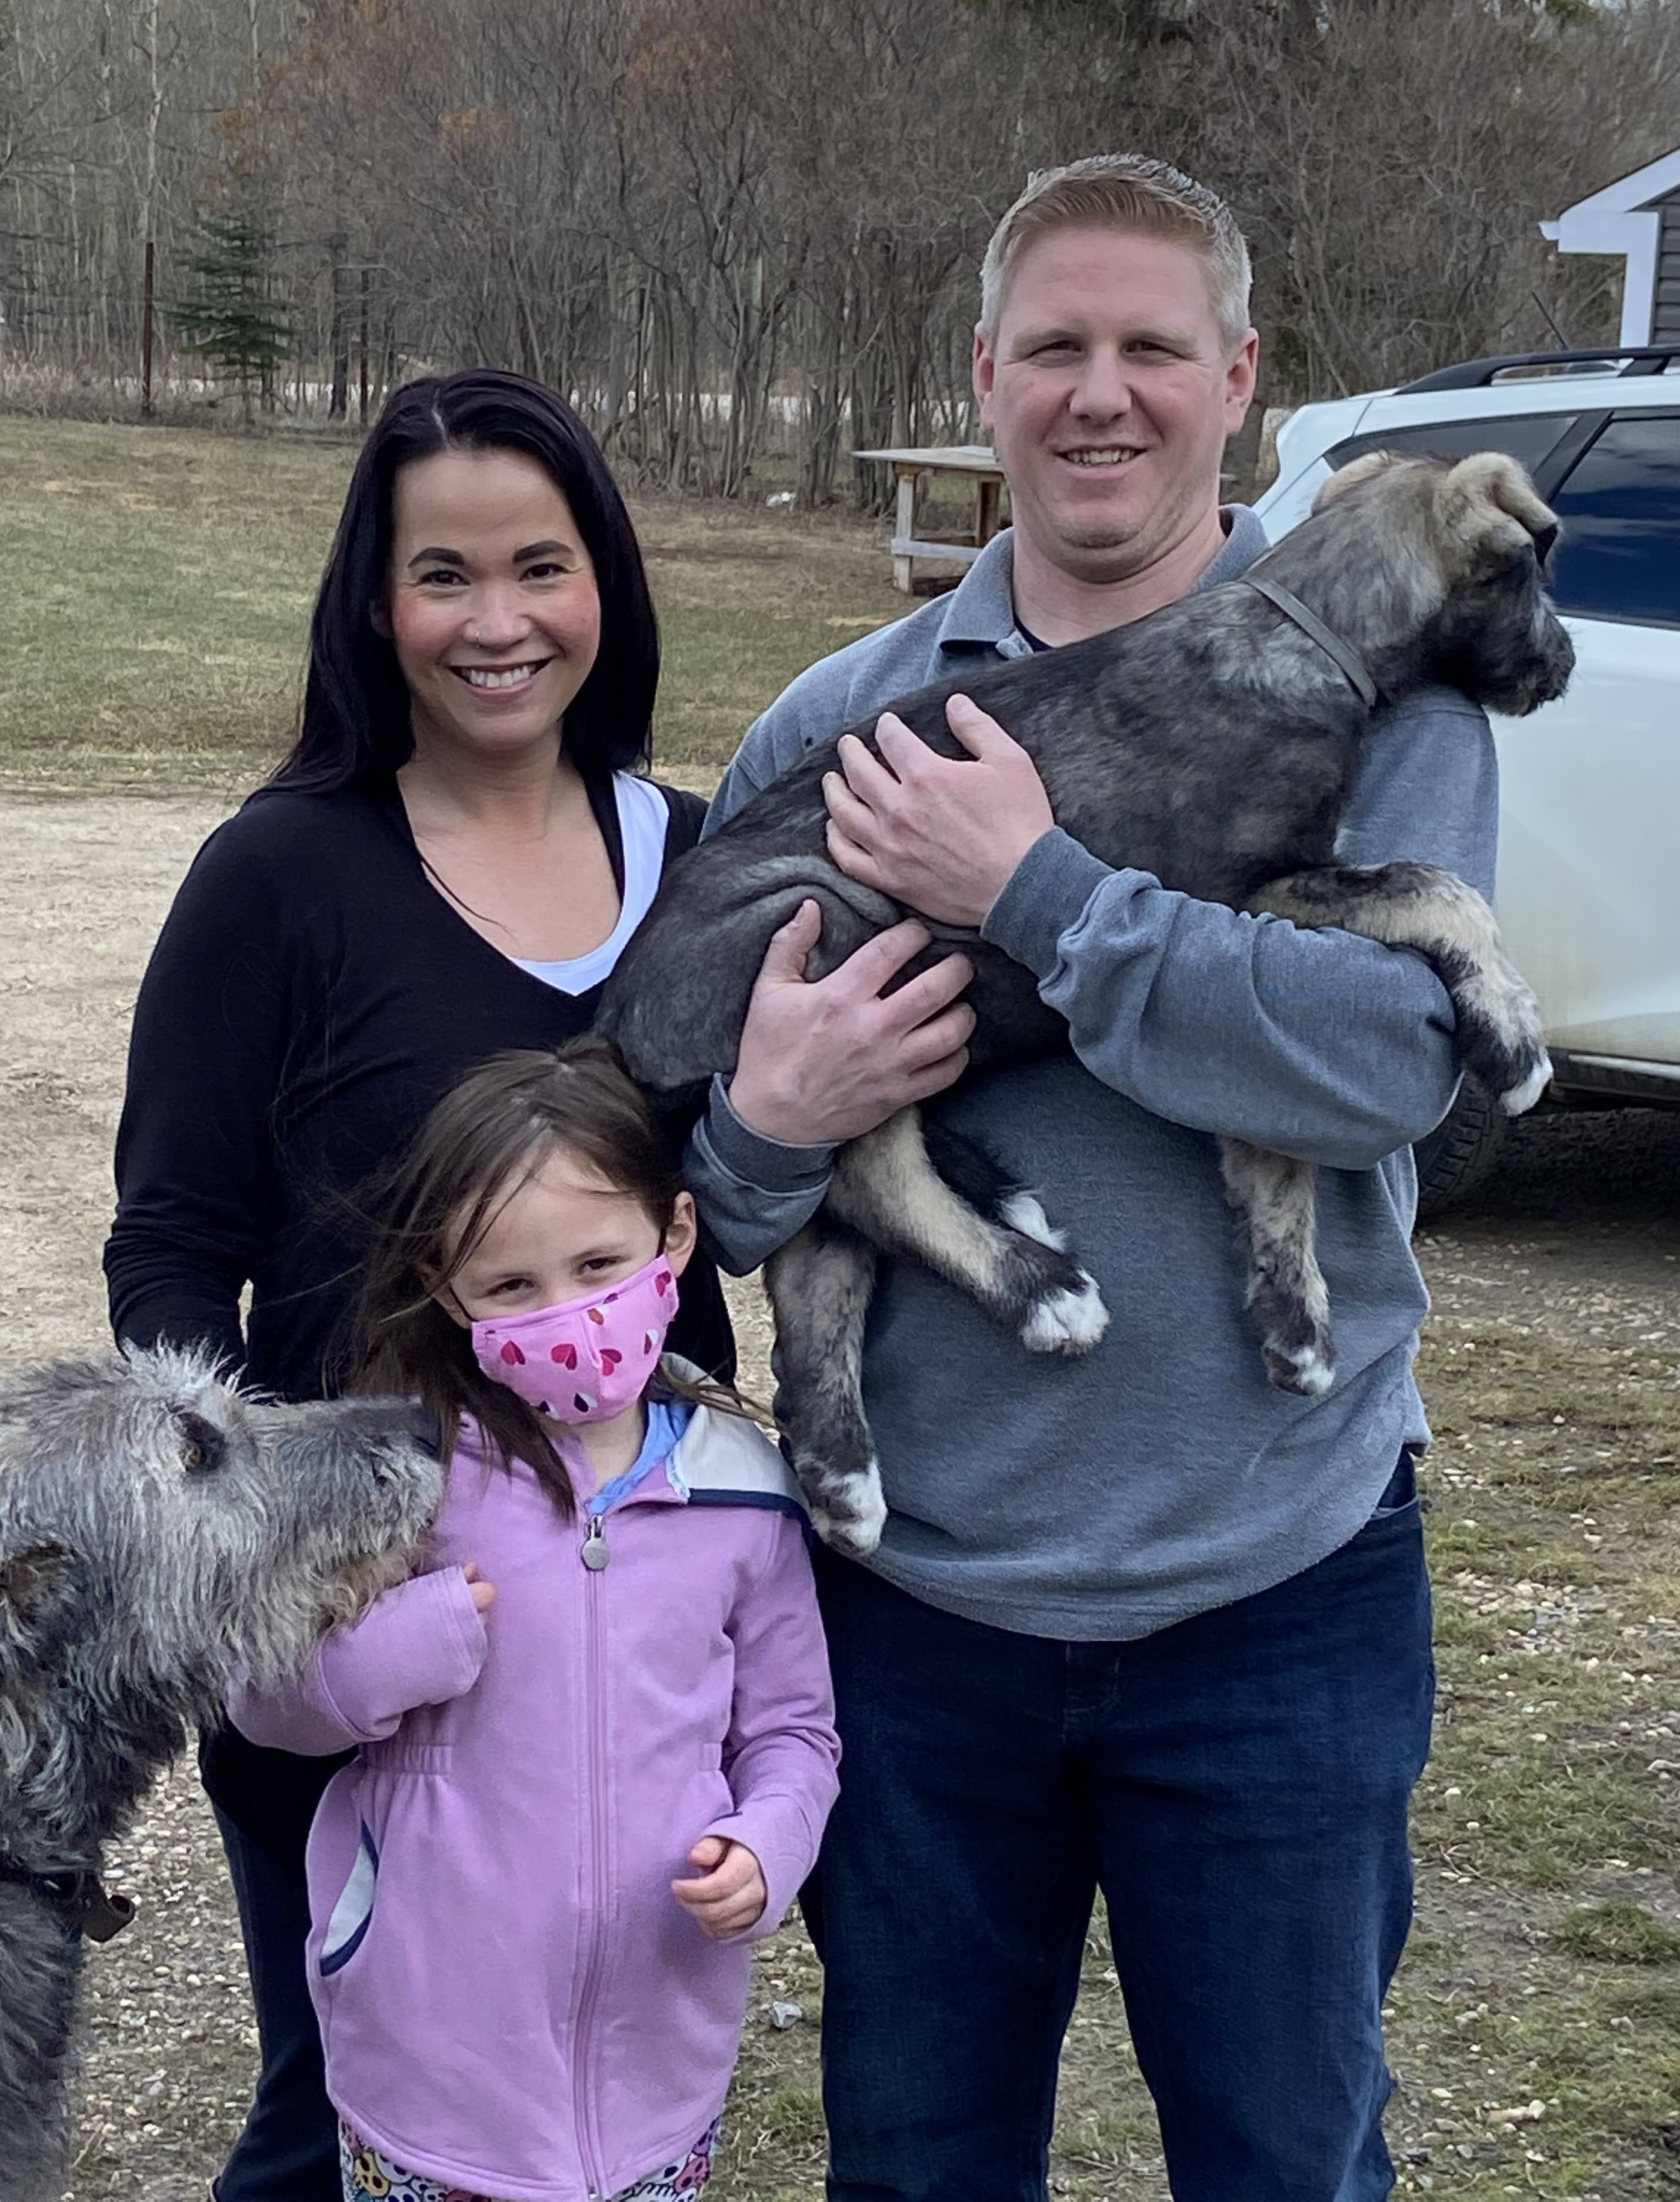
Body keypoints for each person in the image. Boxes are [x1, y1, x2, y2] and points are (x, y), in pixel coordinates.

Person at [684, 155, 1494, 2200]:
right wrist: (768, 1126)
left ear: (1241, 378)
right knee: (920, 2168)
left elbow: (1391, 1070)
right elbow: (712, 1198)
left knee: (1286, 2165)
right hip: (920, 1615)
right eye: (1054, 346)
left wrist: (1035, 891)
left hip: (1281, 1596)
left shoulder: (1380, 699)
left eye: (1152, 347)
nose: (1100, 392)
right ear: (985, 377)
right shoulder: (844, 724)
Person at [104, 370, 739, 2202]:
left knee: (597, 2105)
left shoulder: (700, 860)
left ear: (604, 582)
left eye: (539, 565)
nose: (496, 621)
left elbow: (752, 1197)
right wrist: (270, 1559)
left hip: (626, 1622)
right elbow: (169, 1247)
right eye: (441, 573)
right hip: (369, 1635)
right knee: (345, 2112)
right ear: (376, 606)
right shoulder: (279, 874)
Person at [226, 1041, 839, 2202]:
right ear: (445, 1285)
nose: (566, 1313)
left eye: (598, 1264)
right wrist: (384, 1656)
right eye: (512, 1285)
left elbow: (794, 1732)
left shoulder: (746, 1493)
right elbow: (264, 1702)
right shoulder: (395, 1475)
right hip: (426, 2076)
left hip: (659, 2079)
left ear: (675, 1236)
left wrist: (770, 1844)